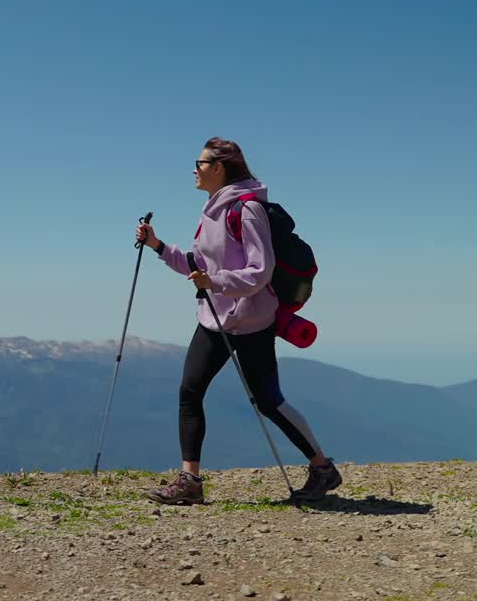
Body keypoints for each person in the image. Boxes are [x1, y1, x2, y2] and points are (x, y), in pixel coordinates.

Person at [135, 137, 341, 504]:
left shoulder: (247, 210)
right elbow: (199, 265)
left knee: (268, 401)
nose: (194, 171)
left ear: (218, 168)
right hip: (213, 319)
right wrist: (158, 246)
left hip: (251, 321)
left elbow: (260, 272)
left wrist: (214, 282)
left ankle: (322, 468)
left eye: (198, 164)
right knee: (190, 392)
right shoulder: (212, 210)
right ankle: (190, 482)